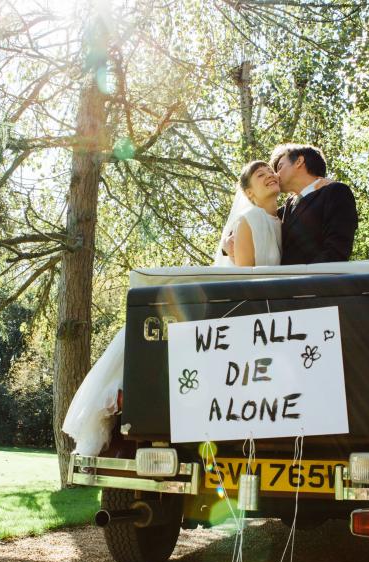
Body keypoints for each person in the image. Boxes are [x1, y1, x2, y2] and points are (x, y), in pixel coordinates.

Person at [64, 160, 284, 455]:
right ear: (249, 192)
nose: (270, 175)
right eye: (261, 175)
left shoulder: (279, 222)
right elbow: (243, 282)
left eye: (271, 171)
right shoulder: (248, 222)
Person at [270, 143, 357, 264]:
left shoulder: (336, 192)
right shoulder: (287, 207)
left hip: (315, 280)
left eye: (280, 167)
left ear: (299, 161)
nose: (275, 175)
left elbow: (336, 252)